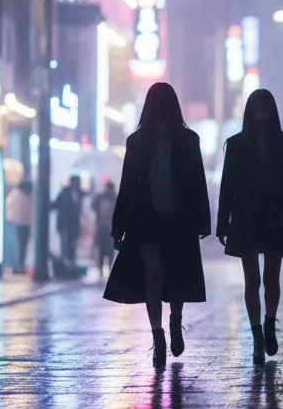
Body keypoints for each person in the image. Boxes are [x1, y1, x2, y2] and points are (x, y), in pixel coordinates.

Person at [103, 82, 211, 369]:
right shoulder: (146, 142)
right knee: (165, 275)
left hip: (164, 219)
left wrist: (119, 227)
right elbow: (129, 184)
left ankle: (167, 327)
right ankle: (163, 331)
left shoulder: (178, 140)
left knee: (162, 276)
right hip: (157, 219)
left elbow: (196, 182)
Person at [216, 89, 283, 364]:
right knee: (252, 279)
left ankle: (268, 323)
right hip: (246, 216)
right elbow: (226, 186)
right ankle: (257, 335)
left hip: (275, 216)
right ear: (249, 113)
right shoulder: (236, 144)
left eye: (264, 110)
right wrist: (222, 223)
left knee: (271, 279)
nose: (260, 116)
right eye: (256, 111)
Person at [5, 180, 34, 274]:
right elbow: (18, 212)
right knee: (20, 246)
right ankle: (17, 266)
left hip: (23, 224)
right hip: (19, 224)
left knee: (22, 247)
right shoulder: (17, 196)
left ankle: (19, 265)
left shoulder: (17, 195)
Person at [53, 175, 83, 264]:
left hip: (74, 224)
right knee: (65, 245)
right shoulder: (64, 193)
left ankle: (71, 262)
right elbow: (56, 205)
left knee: (72, 244)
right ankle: (65, 263)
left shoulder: (79, 193)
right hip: (64, 223)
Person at [91, 180, 118, 276]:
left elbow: (93, 206)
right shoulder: (114, 198)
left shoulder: (101, 197)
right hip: (110, 227)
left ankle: (101, 269)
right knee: (108, 249)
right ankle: (106, 268)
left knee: (103, 249)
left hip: (102, 226)